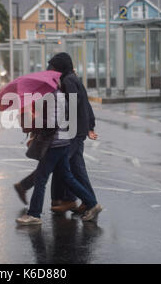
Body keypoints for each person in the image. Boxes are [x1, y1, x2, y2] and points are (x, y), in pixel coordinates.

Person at [14, 52, 99, 215]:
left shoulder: (67, 82)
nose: (50, 69)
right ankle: (85, 202)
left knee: (60, 167)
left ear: (59, 67)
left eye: (53, 66)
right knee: (73, 168)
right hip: (74, 131)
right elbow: (84, 105)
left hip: (71, 133)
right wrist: (89, 125)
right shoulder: (71, 79)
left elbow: (68, 109)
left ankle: (75, 201)